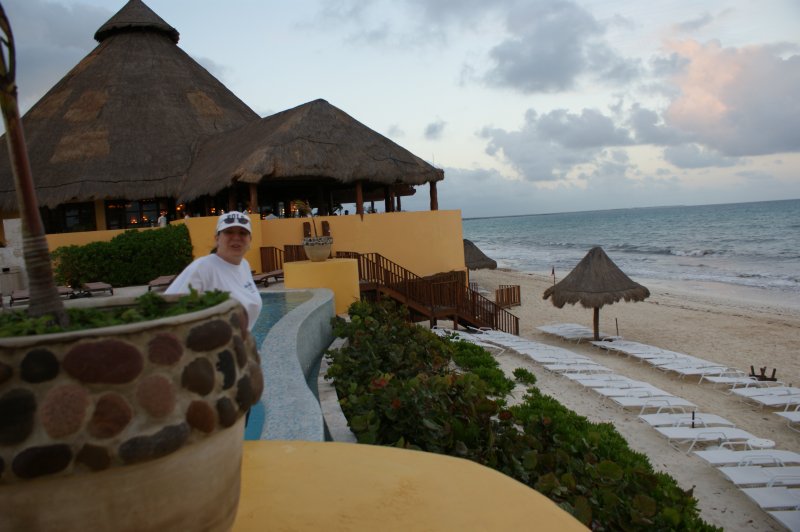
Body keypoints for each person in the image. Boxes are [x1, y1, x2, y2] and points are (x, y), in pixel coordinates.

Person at [165, 211, 262, 330]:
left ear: (250, 239)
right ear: (217, 238)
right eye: (229, 232)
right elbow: (169, 310)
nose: (236, 237)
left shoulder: (244, 265)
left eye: (243, 233)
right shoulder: (203, 268)